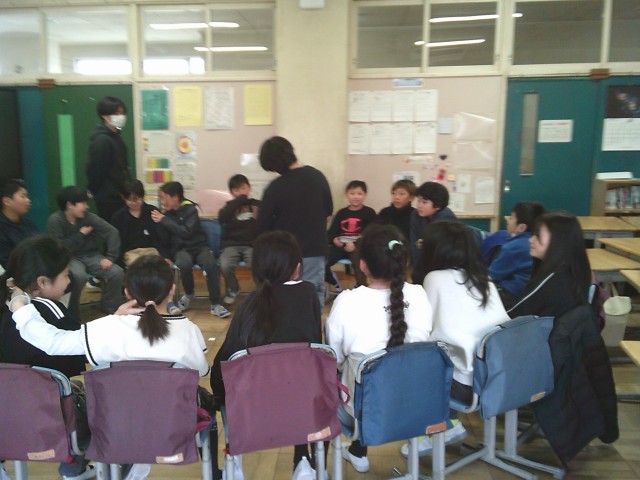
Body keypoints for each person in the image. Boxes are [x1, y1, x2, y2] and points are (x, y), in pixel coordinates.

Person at [7, 254, 210, 480]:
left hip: (112, 427)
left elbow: (52, 342)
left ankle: (91, 465)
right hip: (172, 429)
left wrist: (19, 306)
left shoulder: (105, 328)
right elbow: (202, 371)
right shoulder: (189, 331)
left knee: (81, 393)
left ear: (127, 293)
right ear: (172, 291)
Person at [210, 231, 322, 480]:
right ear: (297, 268)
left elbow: (225, 362)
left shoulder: (248, 305)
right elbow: (316, 347)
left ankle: (234, 458)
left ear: (255, 270)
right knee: (301, 377)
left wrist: (218, 396)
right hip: (303, 404)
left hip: (253, 409)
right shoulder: (309, 295)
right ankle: (303, 458)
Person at [325, 224, 432, 474]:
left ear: (362, 265)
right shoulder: (419, 295)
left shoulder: (347, 302)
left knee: (343, 372)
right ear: (403, 260)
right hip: (416, 403)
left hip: (361, 411)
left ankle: (356, 450)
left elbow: (333, 358)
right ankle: (359, 451)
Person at [405, 220, 508, 457]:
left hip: (469, 386)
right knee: (446, 355)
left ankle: (437, 431)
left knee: (415, 362)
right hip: (502, 376)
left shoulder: (435, 278)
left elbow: (423, 332)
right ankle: (449, 423)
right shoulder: (483, 278)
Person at [0, 236, 90, 480]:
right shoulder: (49, 309)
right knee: (94, 397)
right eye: (66, 275)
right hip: (43, 416)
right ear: (42, 282)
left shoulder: (6, 302)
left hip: (6, 415)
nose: (69, 281)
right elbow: (80, 353)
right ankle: (73, 467)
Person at [257, 136, 333, 306]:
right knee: (312, 296)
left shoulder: (276, 187)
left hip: (285, 254)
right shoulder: (317, 176)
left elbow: (262, 226)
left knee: (285, 297)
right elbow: (328, 212)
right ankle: (312, 324)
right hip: (316, 250)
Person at [152, 181, 229, 318]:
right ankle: (189, 293)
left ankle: (216, 304)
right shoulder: (164, 216)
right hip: (181, 250)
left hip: (199, 246)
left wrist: (165, 220)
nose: (162, 202)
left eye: (164, 198)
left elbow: (186, 232)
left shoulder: (191, 210)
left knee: (210, 263)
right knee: (183, 263)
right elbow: (162, 241)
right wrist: (166, 256)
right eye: (161, 198)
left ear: (175, 197)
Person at [47, 186, 124, 320]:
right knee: (78, 276)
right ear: (70, 205)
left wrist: (110, 257)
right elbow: (59, 248)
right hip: (69, 258)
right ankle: (72, 315)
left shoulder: (89, 217)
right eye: (83, 203)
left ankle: (111, 309)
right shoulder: (55, 220)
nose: (87, 207)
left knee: (116, 272)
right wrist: (81, 234)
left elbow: (112, 232)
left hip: (92, 256)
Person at [508, 211, 592, 319]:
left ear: (558, 241)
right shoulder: (574, 268)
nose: (531, 239)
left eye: (538, 235)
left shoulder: (553, 280)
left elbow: (515, 314)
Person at [488, 201, 545, 309]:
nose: (508, 220)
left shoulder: (513, 247)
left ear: (521, 227)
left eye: (511, 218)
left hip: (511, 295)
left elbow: (492, 275)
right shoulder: (539, 242)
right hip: (530, 294)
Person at [325, 180, 377, 290]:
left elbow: (371, 234)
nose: (356, 197)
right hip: (341, 247)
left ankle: (361, 286)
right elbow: (332, 232)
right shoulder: (341, 213)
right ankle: (334, 282)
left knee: (359, 264)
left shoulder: (369, 213)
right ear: (346, 195)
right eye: (352, 193)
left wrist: (355, 244)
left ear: (365, 195)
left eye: (359, 194)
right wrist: (334, 240)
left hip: (359, 248)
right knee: (321, 260)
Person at [86, 96, 131, 222]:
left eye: (122, 113)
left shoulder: (116, 137)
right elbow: (95, 170)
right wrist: (93, 189)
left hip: (120, 196)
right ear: (105, 116)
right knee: (112, 231)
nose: (121, 117)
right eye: (117, 113)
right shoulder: (102, 140)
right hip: (109, 199)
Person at [218, 174, 260, 305]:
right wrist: (239, 201)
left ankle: (261, 292)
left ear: (249, 188)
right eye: (236, 190)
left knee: (257, 264)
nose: (241, 192)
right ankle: (234, 288)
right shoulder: (229, 206)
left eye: (243, 188)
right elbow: (222, 218)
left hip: (252, 245)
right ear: (231, 192)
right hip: (231, 245)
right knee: (225, 264)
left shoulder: (257, 205)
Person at [409, 182, 458, 282]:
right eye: (418, 201)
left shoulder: (446, 219)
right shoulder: (416, 214)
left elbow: (442, 252)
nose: (419, 205)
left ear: (437, 205)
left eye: (424, 202)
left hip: (444, 267)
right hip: (422, 263)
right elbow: (415, 242)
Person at [111, 179, 163, 267]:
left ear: (143, 196)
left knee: (155, 265)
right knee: (137, 267)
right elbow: (116, 242)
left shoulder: (153, 212)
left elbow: (161, 236)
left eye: (137, 199)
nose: (134, 203)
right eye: (129, 200)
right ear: (123, 197)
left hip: (151, 250)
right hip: (131, 252)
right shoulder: (119, 217)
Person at [0, 178, 39, 269]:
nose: (28, 200)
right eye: (23, 196)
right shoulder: (2, 229)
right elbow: (8, 264)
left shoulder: (29, 224)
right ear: (7, 201)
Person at [377, 179, 416, 243]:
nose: (396, 197)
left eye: (401, 194)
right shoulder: (385, 212)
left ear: (411, 197)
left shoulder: (415, 214)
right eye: (394, 193)